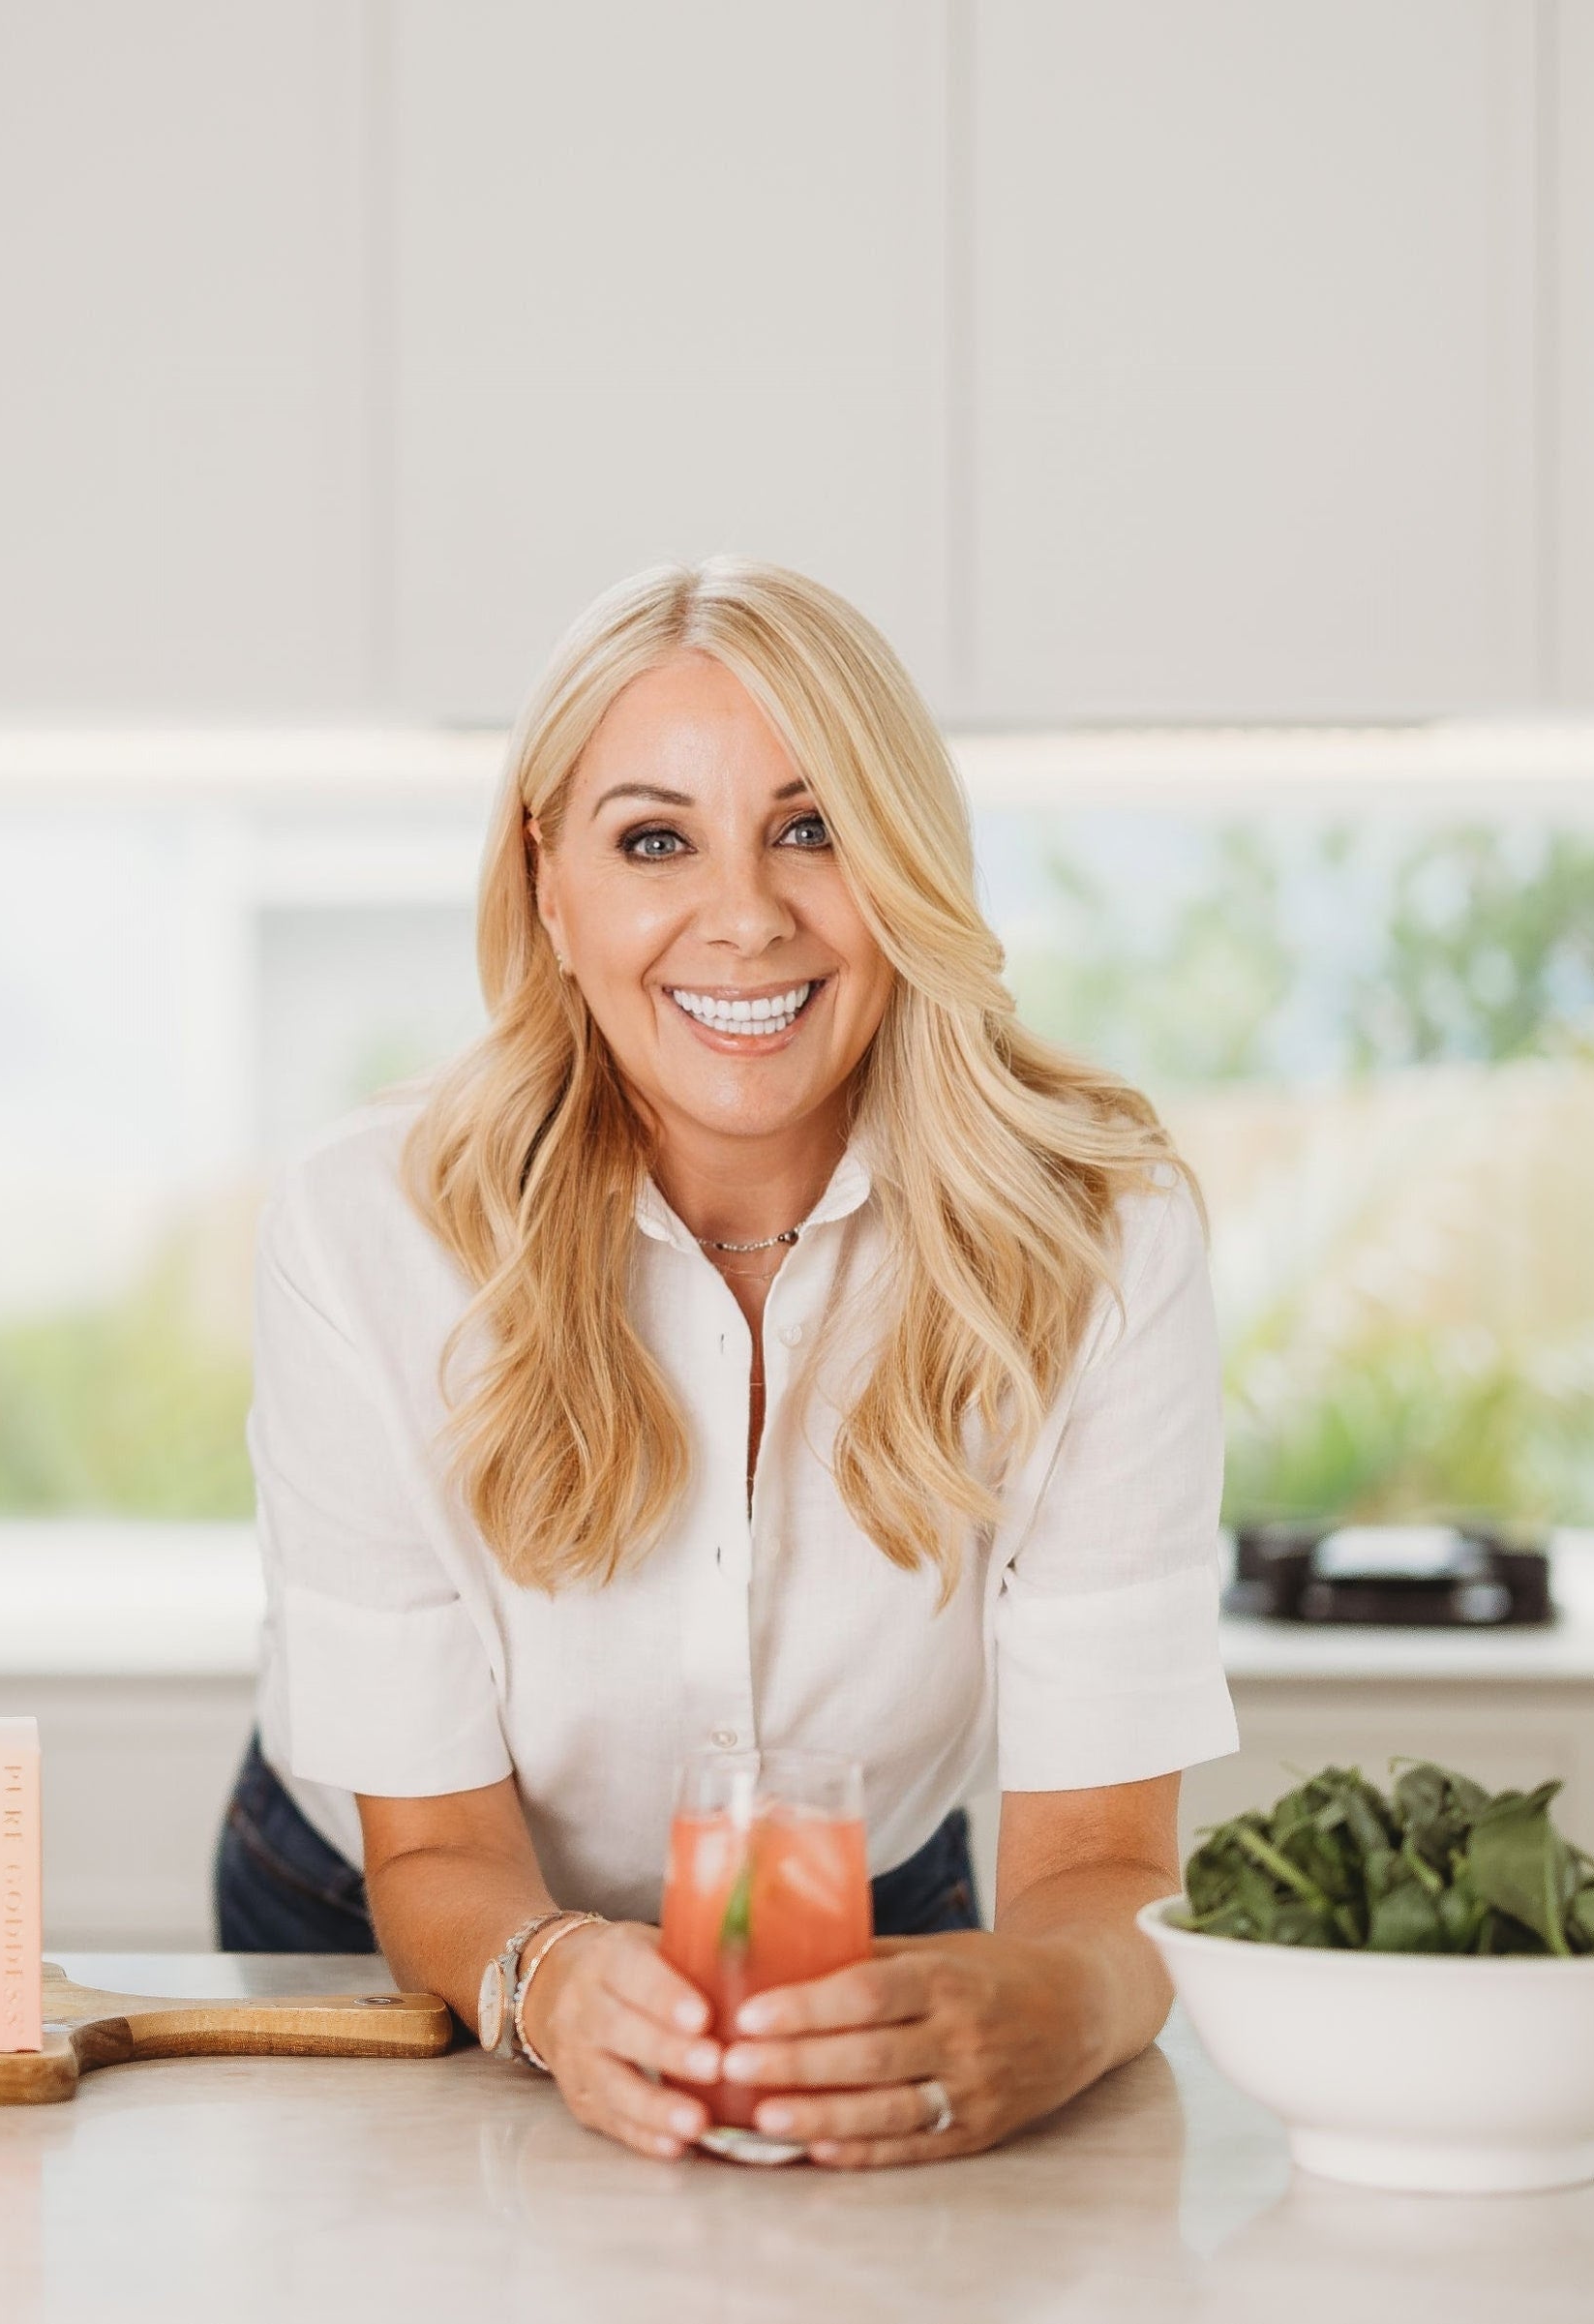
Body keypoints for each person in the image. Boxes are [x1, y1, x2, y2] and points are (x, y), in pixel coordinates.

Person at [213, 558, 1234, 2167]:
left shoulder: (1099, 1235)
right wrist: (548, 1977)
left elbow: (1104, 1855)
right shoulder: (367, 1229)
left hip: (863, 1901)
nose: (747, 913)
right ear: (550, 881)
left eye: (814, 827)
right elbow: (435, 1848)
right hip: (390, 1904)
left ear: (908, 858)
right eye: (654, 839)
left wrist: (1070, 2002)